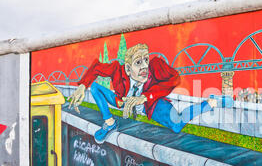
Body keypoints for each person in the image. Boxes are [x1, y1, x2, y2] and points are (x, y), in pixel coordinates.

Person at [68, 43, 232, 144]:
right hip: (123, 100)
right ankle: (110, 123)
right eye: (138, 63)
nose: (145, 66)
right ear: (127, 68)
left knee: (177, 125)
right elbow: (96, 68)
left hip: (150, 105)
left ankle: (210, 103)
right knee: (95, 88)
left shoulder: (155, 66)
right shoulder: (118, 70)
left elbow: (174, 79)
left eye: (145, 60)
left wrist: (146, 97)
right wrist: (82, 86)